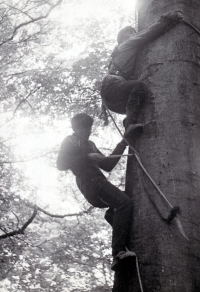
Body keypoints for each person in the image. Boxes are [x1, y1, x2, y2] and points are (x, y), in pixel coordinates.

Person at [57, 113, 141, 270]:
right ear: (75, 128)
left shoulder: (91, 144)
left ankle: (112, 217)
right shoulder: (70, 141)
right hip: (90, 182)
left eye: (89, 127)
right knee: (124, 203)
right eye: (83, 128)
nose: (87, 131)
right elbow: (61, 164)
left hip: (97, 183)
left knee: (122, 201)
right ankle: (118, 252)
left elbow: (108, 165)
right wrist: (88, 157)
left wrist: (124, 141)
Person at [101, 11, 183, 129]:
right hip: (113, 87)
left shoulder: (121, 55)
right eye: (132, 33)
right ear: (124, 37)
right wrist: (167, 20)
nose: (135, 34)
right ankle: (130, 124)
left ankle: (129, 124)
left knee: (138, 102)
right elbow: (147, 34)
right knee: (138, 87)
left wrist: (103, 110)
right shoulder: (126, 44)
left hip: (113, 99)